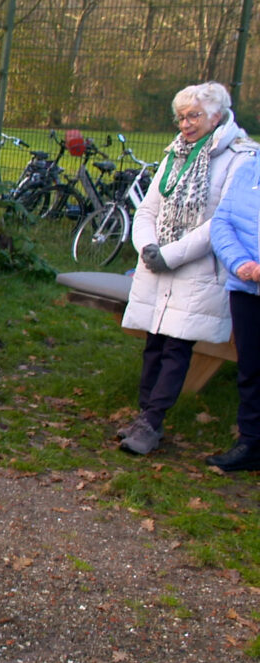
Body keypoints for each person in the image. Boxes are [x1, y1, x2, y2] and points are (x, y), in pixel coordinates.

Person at [119, 82, 255, 455]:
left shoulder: (240, 157)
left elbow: (222, 221)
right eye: (180, 117)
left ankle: (152, 422)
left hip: (199, 269)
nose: (185, 124)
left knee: (177, 346)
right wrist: (147, 246)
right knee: (153, 344)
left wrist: (172, 254)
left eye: (193, 116)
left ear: (216, 115)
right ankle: (144, 416)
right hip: (156, 263)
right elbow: (148, 209)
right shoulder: (175, 153)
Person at [208, 128, 260, 470]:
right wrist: (240, 264)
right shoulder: (249, 169)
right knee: (251, 369)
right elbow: (222, 222)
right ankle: (251, 444)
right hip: (247, 288)